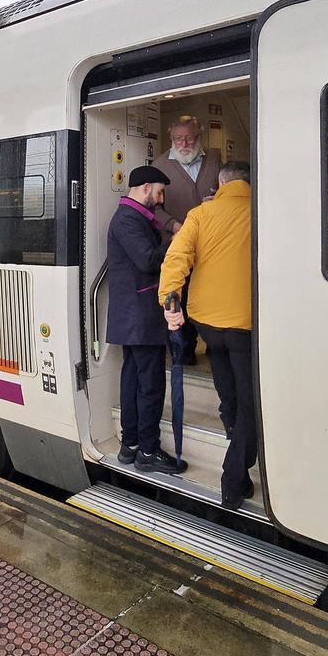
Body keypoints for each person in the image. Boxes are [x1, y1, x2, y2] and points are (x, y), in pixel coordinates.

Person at [158, 162, 254, 509]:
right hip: (246, 323)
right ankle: (233, 476)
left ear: (221, 182)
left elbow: (177, 257)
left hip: (207, 323)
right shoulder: (260, 212)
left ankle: (235, 438)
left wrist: (170, 298)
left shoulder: (200, 214)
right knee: (250, 402)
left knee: (228, 388)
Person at [106, 165, 187, 475]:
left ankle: (130, 446)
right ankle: (148, 451)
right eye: (159, 191)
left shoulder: (131, 218)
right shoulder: (128, 220)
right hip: (140, 316)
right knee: (149, 384)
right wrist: (177, 240)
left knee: (133, 380)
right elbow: (148, 259)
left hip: (133, 317)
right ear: (144, 188)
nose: (161, 198)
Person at [152, 115, 223, 366]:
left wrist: (218, 200)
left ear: (199, 135)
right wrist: (175, 225)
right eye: (177, 139)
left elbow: (225, 191)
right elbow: (153, 209)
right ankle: (184, 353)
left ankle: (216, 347)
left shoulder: (214, 158)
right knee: (179, 294)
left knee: (211, 294)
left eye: (189, 138)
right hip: (178, 244)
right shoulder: (159, 164)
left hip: (212, 244)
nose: (183, 143)